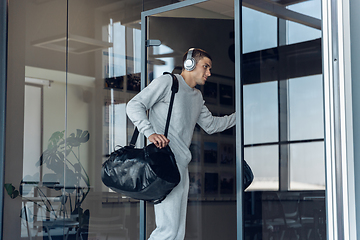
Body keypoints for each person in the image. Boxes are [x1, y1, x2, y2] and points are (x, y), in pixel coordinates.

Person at [126, 48, 235, 240]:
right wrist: (150, 133)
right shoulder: (168, 82)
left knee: (177, 232)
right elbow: (134, 105)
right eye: (206, 67)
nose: (209, 73)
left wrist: (238, 117)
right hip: (163, 165)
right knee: (167, 230)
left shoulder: (197, 97)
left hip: (181, 166)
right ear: (189, 64)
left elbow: (210, 125)